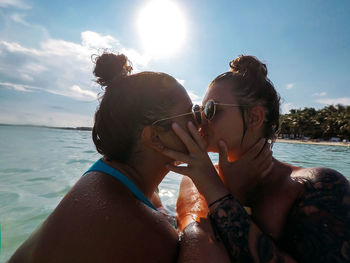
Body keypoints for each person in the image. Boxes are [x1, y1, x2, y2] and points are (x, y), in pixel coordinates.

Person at [8, 52, 209, 262]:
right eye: (191, 114)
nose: (200, 121)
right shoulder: (148, 233)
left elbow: (150, 200)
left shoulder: (110, 173)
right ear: (155, 137)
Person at [158, 55, 350, 262]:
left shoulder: (318, 185)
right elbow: (197, 247)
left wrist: (216, 192)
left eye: (210, 109)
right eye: (199, 111)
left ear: (254, 117)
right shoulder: (195, 180)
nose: (201, 122)